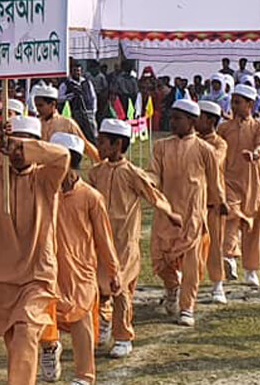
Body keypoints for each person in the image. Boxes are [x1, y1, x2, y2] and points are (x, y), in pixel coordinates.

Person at [0, 116, 68, 385]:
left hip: (38, 274)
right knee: (15, 341)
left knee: (24, 333)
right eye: (12, 145)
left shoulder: (47, 177)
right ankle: (49, 346)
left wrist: (23, 148)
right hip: (5, 276)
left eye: (25, 146)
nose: (17, 153)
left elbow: (62, 155)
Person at [89, 119, 180, 359]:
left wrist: (170, 214)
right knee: (100, 288)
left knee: (121, 289)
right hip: (101, 241)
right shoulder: (96, 172)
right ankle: (104, 324)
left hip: (125, 243)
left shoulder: (132, 173)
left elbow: (154, 195)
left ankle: (123, 337)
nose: (98, 146)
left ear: (117, 144)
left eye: (102, 142)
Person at [40, 132, 120, 385]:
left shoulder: (91, 197)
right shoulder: (44, 191)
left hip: (81, 268)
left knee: (82, 319)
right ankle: (50, 348)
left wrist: (113, 271)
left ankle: (85, 375)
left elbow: (104, 238)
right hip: (47, 264)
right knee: (43, 311)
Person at [149, 99, 223, 327]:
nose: (172, 122)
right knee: (159, 261)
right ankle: (172, 288)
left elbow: (215, 182)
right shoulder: (161, 146)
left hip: (193, 215)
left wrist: (220, 203)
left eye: (177, 119)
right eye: (171, 118)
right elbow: (154, 174)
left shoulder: (205, 150)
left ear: (192, 121)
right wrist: (144, 183)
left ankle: (186, 307)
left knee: (192, 266)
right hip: (166, 214)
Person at [217, 84, 260, 287]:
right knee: (230, 216)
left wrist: (255, 154)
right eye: (233, 102)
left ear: (250, 104)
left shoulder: (259, 126)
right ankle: (229, 256)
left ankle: (250, 270)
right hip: (229, 180)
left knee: (252, 226)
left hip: (252, 181)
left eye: (238, 102)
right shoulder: (224, 128)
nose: (234, 106)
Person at [196, 100, 230, 304]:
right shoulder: (190, 141)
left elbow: (212, 163)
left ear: (210, 120)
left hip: (212, 201)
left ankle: (217, 285)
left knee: (215, 244)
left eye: (199, 116)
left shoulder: (219, 143)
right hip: (191, 201)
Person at [34, 85, 99, 161]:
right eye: (36, 106)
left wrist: (99, 162)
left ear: (53, 104)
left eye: (40, 105)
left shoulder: (67, 123)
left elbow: (86, 145)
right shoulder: (36, 123)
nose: (37, 109)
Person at [57, 61, 99, 143]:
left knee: (92, 132)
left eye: (78, 71)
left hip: (88, 112)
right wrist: (69, 96)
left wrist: (94, 110)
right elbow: (59, 98)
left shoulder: (87, 82)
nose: (77, 73)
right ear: (71, 71)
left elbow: (93, 96)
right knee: (77, 132)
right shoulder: (66, 84)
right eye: (75, 71)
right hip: (76, 112)